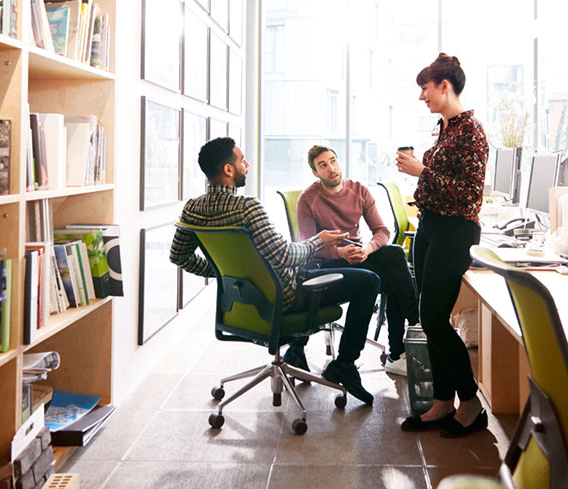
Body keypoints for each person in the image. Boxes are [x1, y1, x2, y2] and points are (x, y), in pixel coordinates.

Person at [170, 137, 380, 404]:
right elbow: (285, 256)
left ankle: (296, 352)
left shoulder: (192, 209)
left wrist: (224, 273)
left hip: (240, 303)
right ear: (228, 170)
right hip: (287, 296)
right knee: (369, 281)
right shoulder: (247, 208)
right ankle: (345, 365)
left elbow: (178, 256)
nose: (246, 164)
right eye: (241, 160)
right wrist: (320, 241)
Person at [396, 53, 490, 437]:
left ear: (444, 86)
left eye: (425, 88)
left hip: (455, 231)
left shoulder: (472, 132)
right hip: (431, 227)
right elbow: (442, 183)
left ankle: (470, 404)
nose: (422, 96)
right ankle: (441, 401)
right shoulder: (446, 129)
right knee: (427, 316)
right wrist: (424, 179)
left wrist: (424, 171)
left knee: (435, 318)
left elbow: (470, 194)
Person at [296, 145, 420, 376]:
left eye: (333, 161)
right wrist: (339, 253)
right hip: (329, 263)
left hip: (358, 255)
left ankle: (412, 326)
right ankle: (402, 346)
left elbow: (382, 230)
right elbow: (307, 249)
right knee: (394, 278)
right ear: (315, 173)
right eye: (323, 165)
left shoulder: (358, 190)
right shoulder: (308, 199)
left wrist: (368, 248)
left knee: (393, 254)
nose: (331, 168)